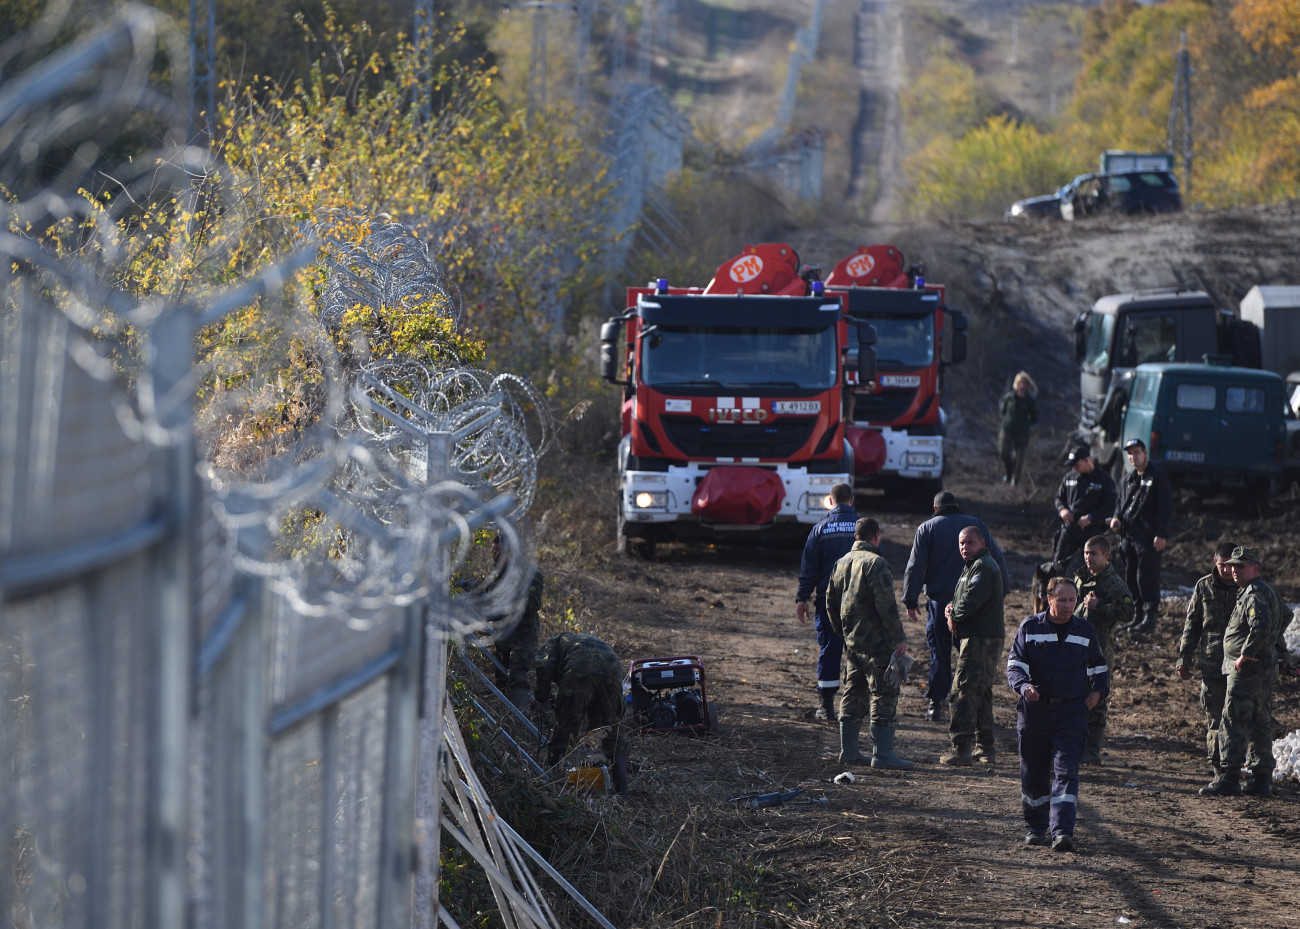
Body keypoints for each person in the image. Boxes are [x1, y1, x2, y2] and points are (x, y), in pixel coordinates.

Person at [1006, 577, 1108, 852]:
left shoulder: (1084, 630)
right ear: (1048, 599)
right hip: (1035, 713)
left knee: (1066, 771)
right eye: (1061, 600)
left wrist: (1096, 694)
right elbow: (1014, 666)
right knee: (1034, 773)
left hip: (1070, 713)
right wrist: (1024, 686)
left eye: (1071, 600)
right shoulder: (1030, 627)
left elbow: (1099, 669)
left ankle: (1062, 831)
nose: (1066, 605)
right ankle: (1036, 828)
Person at [903, 491, 1011, 722]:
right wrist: (1003, 590)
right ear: (956, 505)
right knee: (971, 654)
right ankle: (973, 704)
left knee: (939, 653)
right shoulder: (975, 525)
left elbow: (916, 565)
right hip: (975, 602)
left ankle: (936, 704)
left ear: (935, 508)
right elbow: (997, 557)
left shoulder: (927, 528)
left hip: (940, 602)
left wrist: (910, 599)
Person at [825, 518, 913, 769]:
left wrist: (842, 633)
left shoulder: (840, 563)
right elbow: (886, 606)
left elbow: (830, 602)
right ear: (876, 537)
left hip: (853, 643)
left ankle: (849, 751)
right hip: (878, 645)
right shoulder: (876, 563)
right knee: (884, 694)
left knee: (853, 693)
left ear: (856, 537)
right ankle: (882, 755)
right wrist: (898, 637)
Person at [1200, 546, 1287, 798]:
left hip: (1247, 670)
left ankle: (1229, 778)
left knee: (1234, 720)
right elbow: (1285, 616)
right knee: (1260, 722)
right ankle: (1261, 780)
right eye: (1233, 565)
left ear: (1255, 568)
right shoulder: (1262, 591)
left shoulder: (1254, 593)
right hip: (1263, 668)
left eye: (1241, 566)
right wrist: (1271, 644)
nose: (1234, 571)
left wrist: (1246, 652)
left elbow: (1260, 623)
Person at [940, 527, 1005, 766]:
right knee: (981, 692)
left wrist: (954, 615)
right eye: (961, 544)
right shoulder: (973, 566)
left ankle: (961, 748)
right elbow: (963, 599)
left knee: (963, 692)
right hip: (976, 636)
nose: (964, 547)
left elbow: (971, 601)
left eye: (969, 543)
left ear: (982, 542)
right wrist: (952, 607)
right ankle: (985, 747)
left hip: (982, 638)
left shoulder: (984, 566)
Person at [533, 631, 629, 791]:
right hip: (612, 670)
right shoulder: (581, 641)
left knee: (564, 732)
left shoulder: (552, 643)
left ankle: (554, 784)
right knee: (612, 732)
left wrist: (542, 698)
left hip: (579, 671)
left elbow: (544, 666)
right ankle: (622, 791)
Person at [1176, 541, 1240, 780]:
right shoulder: (1204, 586)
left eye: (1230, 565)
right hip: (1212, 663)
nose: (1226, 570)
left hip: (1240, 664)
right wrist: (1184, 658)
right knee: (1215, 719)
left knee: (1239, 717)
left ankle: (1238, 769)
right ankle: (1219, 771)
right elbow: (1191, 626)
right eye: (1222, 565)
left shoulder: (1246, 586)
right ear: (1215, 561)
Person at [795, 482, 859, 722]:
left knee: (830, 651)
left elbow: (809, 568)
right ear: (852, 500)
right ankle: (855, 707)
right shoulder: (863, 527)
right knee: (859, 652)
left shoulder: (820, 529)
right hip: (859, 602)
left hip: (828, 601)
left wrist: (802, 597)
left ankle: (826, 707)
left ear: (831, 502)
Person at [1073, 535, 1134, 764]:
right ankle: (1076, 744)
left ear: (1106, 556)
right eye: (1086, 553)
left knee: (1096, 698)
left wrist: (1099, 606)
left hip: (1100, 649)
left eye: (1094, 554)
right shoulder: (1081, 578)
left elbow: (1128, 613)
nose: (1088, 558)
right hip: (1077, 647)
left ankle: (1092, 750)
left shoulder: (1114, 583)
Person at [1107, 437, 1173, 640]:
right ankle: (1136, 615)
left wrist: (1162, 533)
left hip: (1148, 537)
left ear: (1145, 453)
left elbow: (1166, 508)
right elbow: (1120, 503)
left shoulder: (1157, 477)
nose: (1133, 457)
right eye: (1130, 453)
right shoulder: (1128, 479)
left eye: (1137, 452)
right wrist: (1116, 518)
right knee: (1130, 577)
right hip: (1128, 536)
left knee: (1147, 576)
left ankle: (1149, 617)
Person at [486, 533, 544, 709]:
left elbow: (533, 603)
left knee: (517, 676)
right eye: (493, 553)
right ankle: (506, 719)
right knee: (501, 679)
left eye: (499, 554)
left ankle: (522, 717)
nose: (494, 558)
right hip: (503, 636)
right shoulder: (498, 574)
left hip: (523, 637)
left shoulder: (530, 574)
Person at [1051, 445, 1117, 572]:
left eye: (1076, 465)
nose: (1074, 468)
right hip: (1069, 528)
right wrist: (1062, 510)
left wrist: (1091, 518)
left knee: (1091, 566)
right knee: (1058, 564)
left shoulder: (1104, 479)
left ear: (1087, 460)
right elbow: (1059, 497)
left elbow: (1110, 505)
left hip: (1091, 530)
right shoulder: (1069, 477)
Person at [998, 371, 1038, 485]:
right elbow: (1003, 410)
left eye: (1024, 383)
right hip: (1007, 429)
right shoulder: (1009, 397)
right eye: (1020, 383)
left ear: (1027, 385)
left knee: (1019, 457)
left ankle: (1015, 479)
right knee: (1004, 452)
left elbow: (1034, 417)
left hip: (1022, 432)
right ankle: (1008, 473)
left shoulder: (1030, 401)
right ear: (1016, 384)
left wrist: (1025, 424)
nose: (1022, 386)